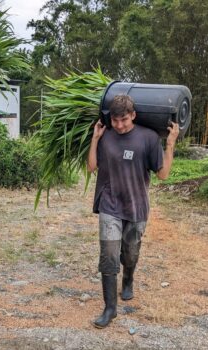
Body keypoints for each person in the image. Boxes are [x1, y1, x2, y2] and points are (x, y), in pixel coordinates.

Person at [87, 94, 179, 328]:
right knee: (108, 254)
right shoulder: (106, 135)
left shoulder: (148, 138)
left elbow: (163, 174)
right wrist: (95, 139)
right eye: (115, 120)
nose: (119, 125)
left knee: (130, 253)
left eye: (124, 120)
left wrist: (170, 145)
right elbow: (91, 167)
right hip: (110, 205)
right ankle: (110, 308)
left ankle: (128, 279)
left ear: (133, 116)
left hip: (136, 206)